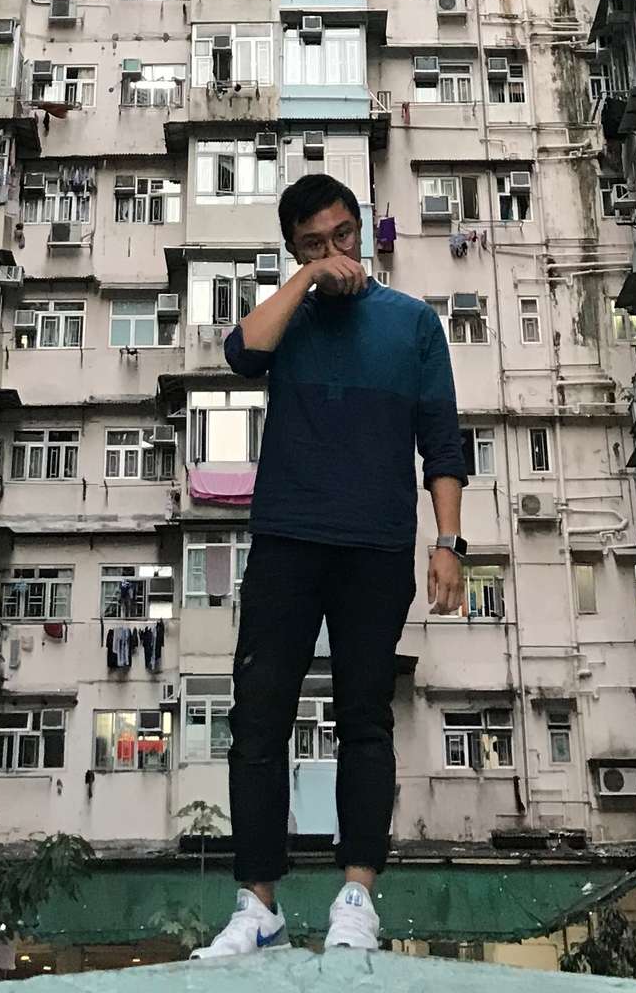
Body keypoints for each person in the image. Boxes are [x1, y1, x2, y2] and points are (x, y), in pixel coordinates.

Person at [191, 173, 468, 961]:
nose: (337, 253)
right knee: (258, 718)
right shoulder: (291, 320)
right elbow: (241, 354)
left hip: (377, 549)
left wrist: (447, 542)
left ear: (363, 228)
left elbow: (441, 441)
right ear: (294, 251)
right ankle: (259, 905)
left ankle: (357, 898)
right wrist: (308, 278)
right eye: (315, 243)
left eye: (344, 235)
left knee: (365, 719)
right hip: (287, 541)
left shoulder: (411, 324)